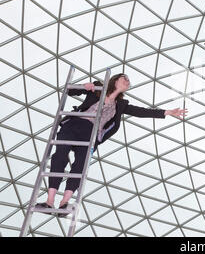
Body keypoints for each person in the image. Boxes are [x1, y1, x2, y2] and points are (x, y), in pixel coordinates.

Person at [35, 73, 187, 216]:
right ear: (115, 80)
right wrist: (84, 86)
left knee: (81, 165)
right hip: (74, 123)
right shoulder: (97, 88)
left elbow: (141, 112)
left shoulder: (121, 104)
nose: (127, 81)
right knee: (59, 156)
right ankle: (50, 201)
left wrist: (167, 112)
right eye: (124, 78)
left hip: (91, 133)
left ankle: (64, 202)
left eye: (128, 80)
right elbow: (70, 91)